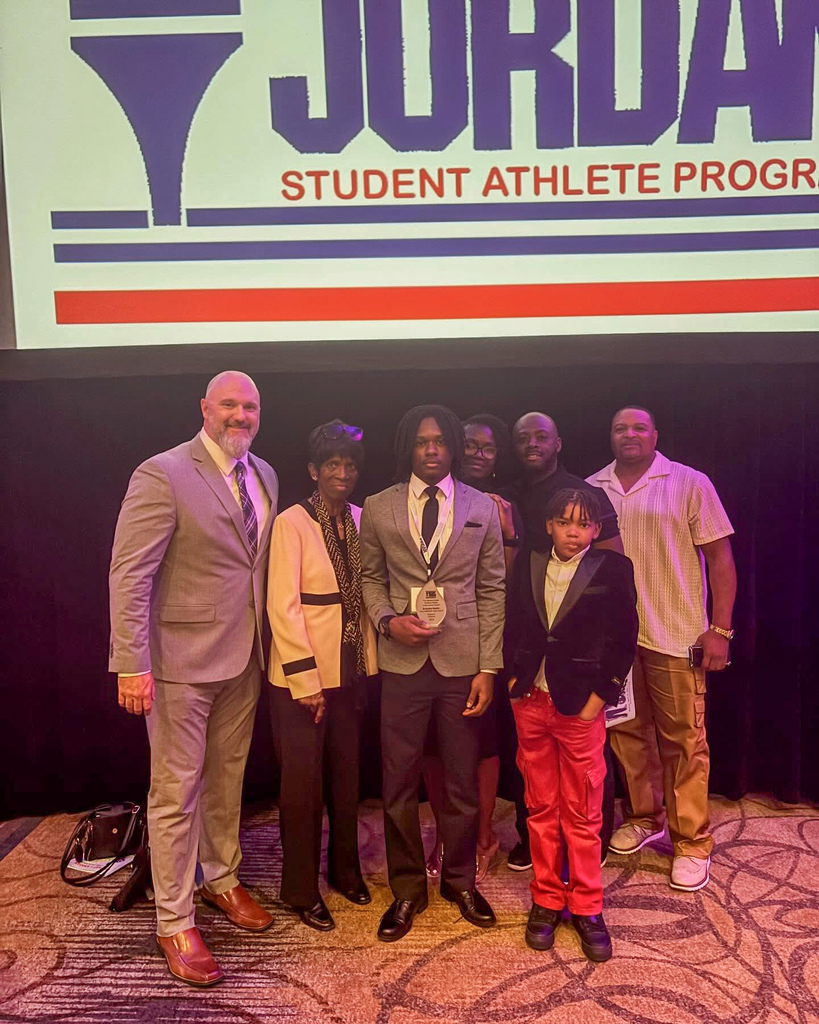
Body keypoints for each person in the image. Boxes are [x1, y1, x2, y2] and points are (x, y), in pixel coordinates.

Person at [109, 371, 279, 986]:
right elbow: (130, 575)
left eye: (250, 406)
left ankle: (222, 879)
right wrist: (132, 662)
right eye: (229, 404)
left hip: (246, 658)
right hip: (179, 662)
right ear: (204, 408)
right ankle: (173, 918)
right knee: (175, 791)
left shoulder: (264, 474)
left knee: (227, 779)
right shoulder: (162, 472)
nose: (240, 415)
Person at [359, 404, 506, 942]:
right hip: (402, 663)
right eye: (422, 441)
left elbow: (492, 589)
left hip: (462, 664)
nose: (432, 450)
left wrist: (489, 666)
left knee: (462, 782)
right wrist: (386, 620)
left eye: (441, 441)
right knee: (398, 783)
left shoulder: (481, 507)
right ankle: (406, 890)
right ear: (409, 447)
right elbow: (370, 579)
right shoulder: (377, 507)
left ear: (454, 447)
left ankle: (461, 881)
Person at [587, 407, 736, 892]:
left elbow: (720, 558)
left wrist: (721, 630)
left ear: (655, 435)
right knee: (627, 736)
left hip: (676, 634)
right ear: (609, 437)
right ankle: (644, 817)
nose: (629, 435)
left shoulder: (690, 482)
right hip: (617, 640)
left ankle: (692, 841)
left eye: (639, 427)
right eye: (619, 429)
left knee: (684, 740)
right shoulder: (593, 488)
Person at [508, 488, 638, 962]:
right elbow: (514, 624)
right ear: (549, 525)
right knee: (540, 806)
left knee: (582, 809)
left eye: (582, 525)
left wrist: (598, 699)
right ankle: (546, 898)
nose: (572, 532)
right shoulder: (527, 562)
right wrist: (512, 679)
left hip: (580, 707)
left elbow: (624, 639)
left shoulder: (613, 569)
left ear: (596, 531)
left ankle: (586, 905)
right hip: (531, 700)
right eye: (564, 522)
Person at [267, 421, 377, 932]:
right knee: (302, 787)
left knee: (346, 779)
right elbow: (282, 606)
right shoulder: (292, 521)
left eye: (349, 464)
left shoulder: (361, 517)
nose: (342, 472)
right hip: (301, 679)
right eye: (331, 464)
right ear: (313, 470)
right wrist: (304, 680)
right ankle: (300, 888)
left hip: (351, 670)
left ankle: (346, 870)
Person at [508, 411, 623, 872]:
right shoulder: (512, 493)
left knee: (585, 788)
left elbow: (615, 609)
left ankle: (590, 864)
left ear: (559, 442)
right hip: (533, 681)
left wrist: (601, 693)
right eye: (523, 438)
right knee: (538, 788)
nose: (571, 530)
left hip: (581, 684)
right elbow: (517, 605)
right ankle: (541, 868)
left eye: (541, 436)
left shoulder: (586, 492)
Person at [423, 414, 523, 883]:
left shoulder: (499, 505)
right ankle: (446, 833)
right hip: (421, 645)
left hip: (480, 643)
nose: (479, 453)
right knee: (432, 748)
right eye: (471, 445)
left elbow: (502, 580)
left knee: (480, 744)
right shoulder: (426, 497)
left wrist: (505, 529)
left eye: (489, 447)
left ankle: (483, 834)